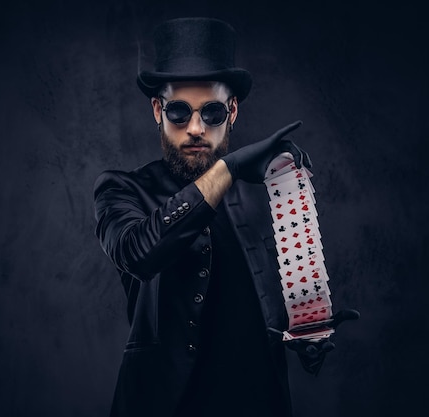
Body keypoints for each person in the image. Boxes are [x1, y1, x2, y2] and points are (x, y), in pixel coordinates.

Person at [93, 17, 359, 417]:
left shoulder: (266, 195)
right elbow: (137, 253)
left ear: (232, 112)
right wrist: (229, 167)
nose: (196, 128)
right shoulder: (122, 189)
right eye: (179, 112)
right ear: (156, 110)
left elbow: (270, 303)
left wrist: (300, 336)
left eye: (212, 112)